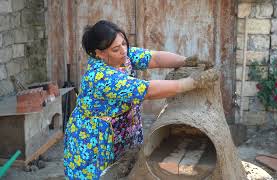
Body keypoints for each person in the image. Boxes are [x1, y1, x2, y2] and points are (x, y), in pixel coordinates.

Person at [63, 20, 217, 179]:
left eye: (124, 43)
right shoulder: (100, 76)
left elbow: (154, 58)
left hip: (123, 128)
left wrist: (186, 61)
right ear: (99, 53)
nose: (123, 50)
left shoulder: (122, 56)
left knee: (128, 169)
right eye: (116, 48)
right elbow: (147, 91)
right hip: (96, 140)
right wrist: (191, 83)